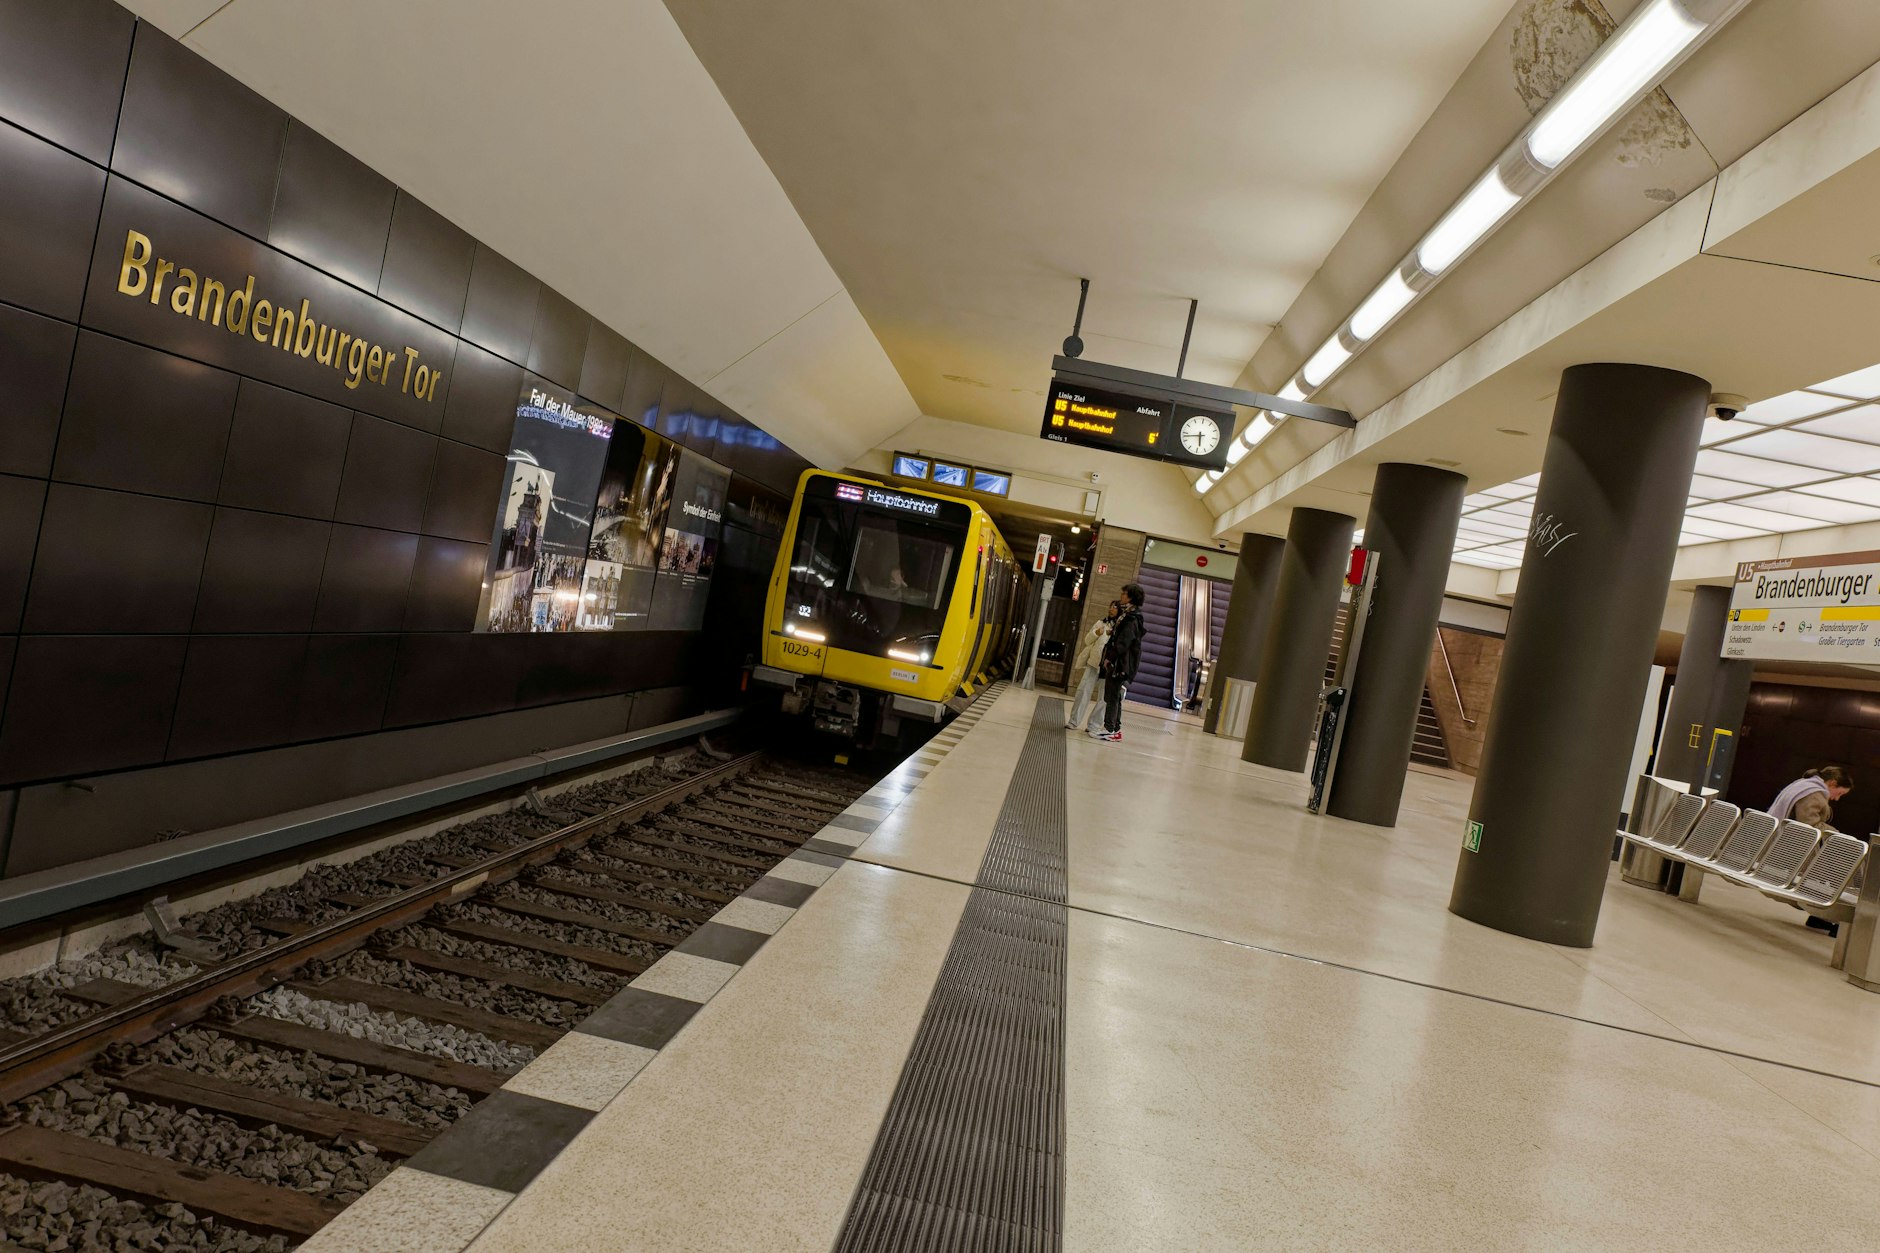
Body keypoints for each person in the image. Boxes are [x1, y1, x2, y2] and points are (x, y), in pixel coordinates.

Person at [1095, 583, 1145, 743]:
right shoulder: (1129, 614)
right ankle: (1115, 729)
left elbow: (1124, 641)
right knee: (1114, 695)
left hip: (1120, 662)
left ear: (1131, 597)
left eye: (1124, 594)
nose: (1121, 596)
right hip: (1121, 661)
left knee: (1112, 695)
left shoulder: (1131, 617)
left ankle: (1109, 728)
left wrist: (1110, 656)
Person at [1065, 602, 1118, 732]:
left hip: (1109, 668)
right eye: (1110, 606)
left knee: (1103, 698)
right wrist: (1096, 633)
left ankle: (1093, 725)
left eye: (1114, 607)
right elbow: (1087, 640)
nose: (1111, 609)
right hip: (1094, 663)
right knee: (1083, 692)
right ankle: (1073, 721)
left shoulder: (1120, 628)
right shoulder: (1101, 623)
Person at [1770, 766, 1852, 830]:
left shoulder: (1803, 784)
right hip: (1787, 842)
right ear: (1832, 783)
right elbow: (1809, 825)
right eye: (1839, 793)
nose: (1837, 798)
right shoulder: (1813, 794)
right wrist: (1835, 834)